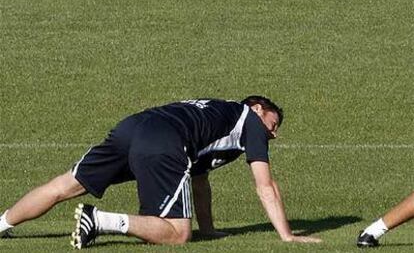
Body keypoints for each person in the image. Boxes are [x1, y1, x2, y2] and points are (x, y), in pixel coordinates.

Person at [0, 97, 321, 248]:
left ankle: (2, 223)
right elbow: (266, 186)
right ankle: (100, 220)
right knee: (178, 233)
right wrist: (287, 236)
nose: (273, 134)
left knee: (62, 185)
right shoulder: (250, 122)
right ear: (257, 109)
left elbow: (198, 179)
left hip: (132, 126)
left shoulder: (218, 114)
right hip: (163, 141)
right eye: (273, 124)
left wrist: (208, 229)